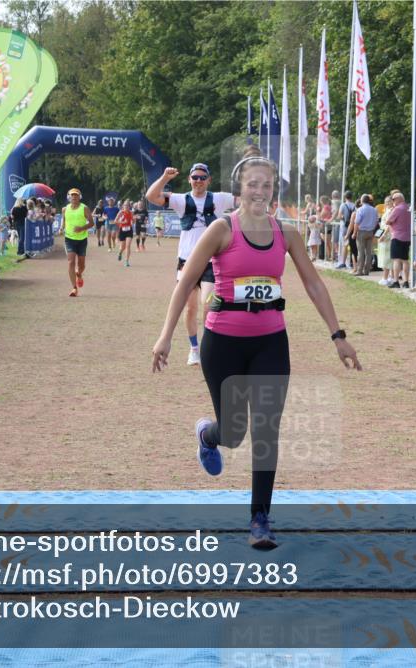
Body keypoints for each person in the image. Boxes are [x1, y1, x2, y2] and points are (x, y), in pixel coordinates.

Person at [151, 146, 361, 549]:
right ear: (240, 189)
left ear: (274, 189)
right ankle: (208, 435)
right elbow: (185, 283)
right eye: (253, 184)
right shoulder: (221, 230)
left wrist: (338, 336)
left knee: (266, 430)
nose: (260, 191)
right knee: (234, 432)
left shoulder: (286, 233)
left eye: (267, 185)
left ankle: (259, 518)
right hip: (223, 343)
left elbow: (314, 284)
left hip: (270, 342)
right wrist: (165, 336)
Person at [147, 162, 236, 366]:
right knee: (190, 308)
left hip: (211, 261)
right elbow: (151, 196)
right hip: (186, 261)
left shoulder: (219, 198)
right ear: (189, 179)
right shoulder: (180, 200)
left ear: (209, 180)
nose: (198, 181)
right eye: (195, 177)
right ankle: (194, 349)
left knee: (209, 304)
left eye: (202, 177)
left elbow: (243, 200)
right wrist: (165, 178)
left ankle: (208, 346)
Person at [62, 188, 94, 297]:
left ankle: (79, 274)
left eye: (76, 195)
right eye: (72, 195)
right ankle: (74, 288)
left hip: (82, 240)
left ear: (79, 197)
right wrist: (62, 228)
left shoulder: (84, 208)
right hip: (69, 239)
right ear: (69, 197)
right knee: (71, 262)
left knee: (81, 265)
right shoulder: (65, 209)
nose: (74, 197)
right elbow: (64, 220)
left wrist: (82, 228)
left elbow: (92, 223)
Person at [384, 192, 411, 288]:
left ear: (399, 199)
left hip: (397, 236)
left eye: (393, 199)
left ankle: (396, 281)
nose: (392, 201)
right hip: (407, 237)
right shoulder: (408, 208)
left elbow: (388, 221)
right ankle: (406, 281)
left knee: (396, 260)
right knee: (405, 260)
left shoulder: (397, 209)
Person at [352, 194, 379, 275]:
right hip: (370, 232)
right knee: (368, 252)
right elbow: (376, 221)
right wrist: (372, 229)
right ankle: (366, 270)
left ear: (361, 201)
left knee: (360, 252)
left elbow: (356, 223)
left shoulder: (360, 209)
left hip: (361, 232)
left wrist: (354, 233)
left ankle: (360, 270)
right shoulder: (374, 210)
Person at [377, 195, 394, 285]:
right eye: (386, 201)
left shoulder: (391, 211)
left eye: (389, 201)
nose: (387, 203)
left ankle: (385, 278)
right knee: (386, 257)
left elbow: (389, 225)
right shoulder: (387, 210)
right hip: (384, 234)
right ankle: (391, 277)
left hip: (387, 236)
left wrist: (383, 235)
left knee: (386, 258)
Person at [337, 191, 356, 269]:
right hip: (353, 226)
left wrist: (343, 217)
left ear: (345, 197)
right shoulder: (354, 205)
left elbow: (339, 216)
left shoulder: (343, 205)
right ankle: (352, 263)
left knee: (345, 244)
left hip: (344, 227)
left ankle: (343, 262)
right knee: (352, 245)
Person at [115, 200, 134, 267]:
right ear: (123, 206)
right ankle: (120, 253)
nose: (126, 206)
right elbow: (115, 221)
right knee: (122, 247)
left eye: (127, 205)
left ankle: (126, 261)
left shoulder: (131, 213)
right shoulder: (121, 212)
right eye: (125, 205)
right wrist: (122, 222)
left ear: (129, 206)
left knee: (128, 246)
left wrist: (133, 220)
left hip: (129, 230)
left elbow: (133, 221)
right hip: (122, 230)